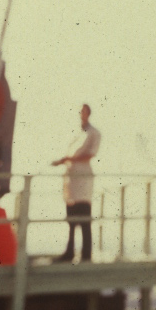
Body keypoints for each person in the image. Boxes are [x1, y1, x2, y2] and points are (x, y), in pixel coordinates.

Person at [51, 104, 101, 262]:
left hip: (83, 180)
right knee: (71, 219)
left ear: (88, 113)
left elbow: (90, 154)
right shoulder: (78, 133)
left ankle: (86, 255)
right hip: (71, 180)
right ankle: (69, 252)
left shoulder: (93, 133)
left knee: (84, 218)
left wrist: (68, 159)